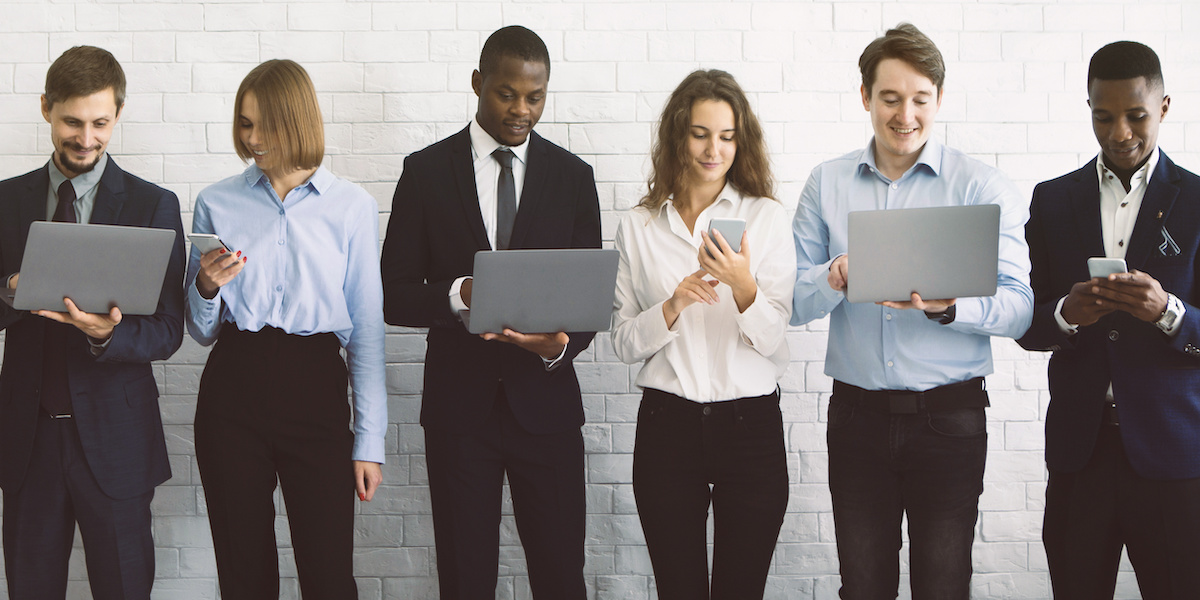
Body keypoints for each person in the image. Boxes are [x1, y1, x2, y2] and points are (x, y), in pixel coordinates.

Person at [790, 23, 1033, 599]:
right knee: (863, 587)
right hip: (856, 420)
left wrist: (952, 307)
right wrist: (833, 277)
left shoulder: (982, 187)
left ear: (938, 99)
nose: (905, 115)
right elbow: (793, 302)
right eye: (890, 98)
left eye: (920, 99)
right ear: (866, 97)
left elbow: (1020, 309)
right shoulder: (826, 183)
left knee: (943, 587)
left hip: (948, 421)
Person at [380, 25, 600, 600]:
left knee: (559, 577)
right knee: (464, 578)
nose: (521, 110)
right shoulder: (425, 173)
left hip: (547, 411)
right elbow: (392, 292)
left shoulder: (574, 178)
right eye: (507, 94)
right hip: (460, 414)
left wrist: (556, 347)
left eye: (535, 97)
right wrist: (458, 294)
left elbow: (589, 302)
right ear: (478, 84)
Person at [184, 59, 385, 599]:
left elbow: (366, 331)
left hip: (315, 386)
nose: (251, 139)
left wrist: (369, 441)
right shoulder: (215, 201)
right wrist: (204, 289)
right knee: (243, 577)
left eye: (263, 125)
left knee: (328, 577)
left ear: (296, 121)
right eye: (244, 124)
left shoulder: (352, 208)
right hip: (233, 386)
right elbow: (203, 331)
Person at [0, 46, 185, 599]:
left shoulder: (154, 205)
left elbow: (169, 329)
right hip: (26, 442)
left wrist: (110, 335)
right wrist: (9, 290)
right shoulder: (5, 203)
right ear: (45, 109)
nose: (86, 138)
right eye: (72, 122)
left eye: (100, 123)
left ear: (118, 115)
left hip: (117, 441)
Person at [1017, 41, 1200, 599]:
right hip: (1080, 455)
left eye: (1137, 115)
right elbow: (1030, 326)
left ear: (1164, 107)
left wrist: (1168, 312)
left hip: (1175, 459)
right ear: (1089, 108)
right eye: (1103, 116)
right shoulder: (1052, 201)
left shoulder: (1196, 200)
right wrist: (1067, 314)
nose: (1120, 131)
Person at [610, 69, 795, 600]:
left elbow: (774, 335)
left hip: (750, 428)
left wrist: (743, 286)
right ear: (678, 135)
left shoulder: (765, 218)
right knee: (678, 589)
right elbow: (622, 343)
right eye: (700, 133)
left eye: (727, 135)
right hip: (669, 427)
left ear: (741, 140)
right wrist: (673, 304)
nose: (714, 149)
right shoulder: (638, 225)